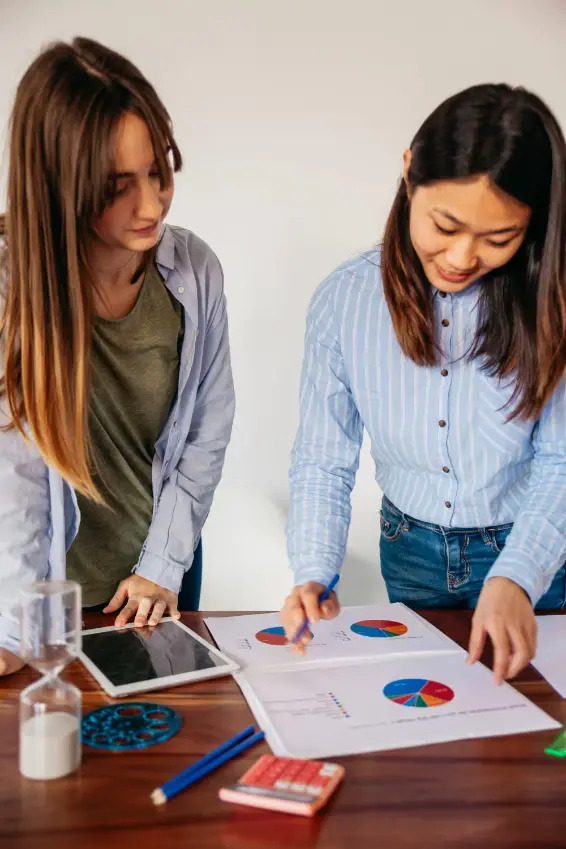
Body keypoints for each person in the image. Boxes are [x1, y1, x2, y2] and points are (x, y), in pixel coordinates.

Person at [282, 83, 566, 683]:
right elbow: (323, 456)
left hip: (535, 549)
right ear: (409, 174)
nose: (463, 256)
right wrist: (313, 570)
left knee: (535, 739)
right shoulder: (344, 299)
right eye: (446, 224)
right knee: (426, 719)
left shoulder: (552, 305)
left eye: (499, 239)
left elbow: (561, 460)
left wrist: (517, 574)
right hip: (409, 551)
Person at [0, 38, 234, 676]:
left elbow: (205, 434)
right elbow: (13, 477)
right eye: (119, 186)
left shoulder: (193, 271)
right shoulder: (9, 289)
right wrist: (20, 628)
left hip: (154, 578)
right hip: (31, 588)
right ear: (59, 183)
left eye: (158, 173)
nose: (153, 205)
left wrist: (161, 568)